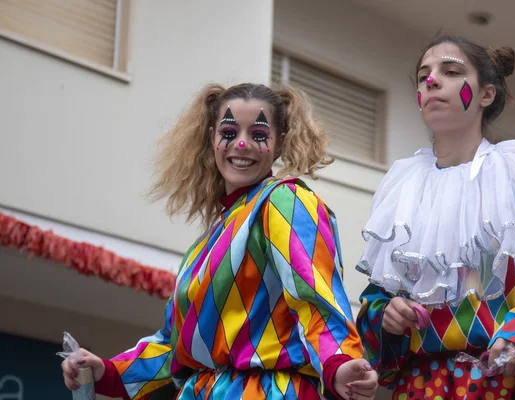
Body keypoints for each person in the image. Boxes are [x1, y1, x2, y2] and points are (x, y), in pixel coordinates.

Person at [61, 83, 379, 400]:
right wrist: (106, 370)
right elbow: (177, 345)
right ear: (212, 138)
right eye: (229, 132)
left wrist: (339, 364)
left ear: (280, 143)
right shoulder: (208, 241)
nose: (241, 144)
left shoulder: (285, 201)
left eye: (258, 134)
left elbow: (316, 299)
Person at [356, 35, 515, 399]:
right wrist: (386, 314)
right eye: (424, 75)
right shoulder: (403, 186)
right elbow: (377, 296)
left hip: (507, 387)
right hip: (420, 388)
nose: (432, 81)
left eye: (450, 71)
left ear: (486, 94)